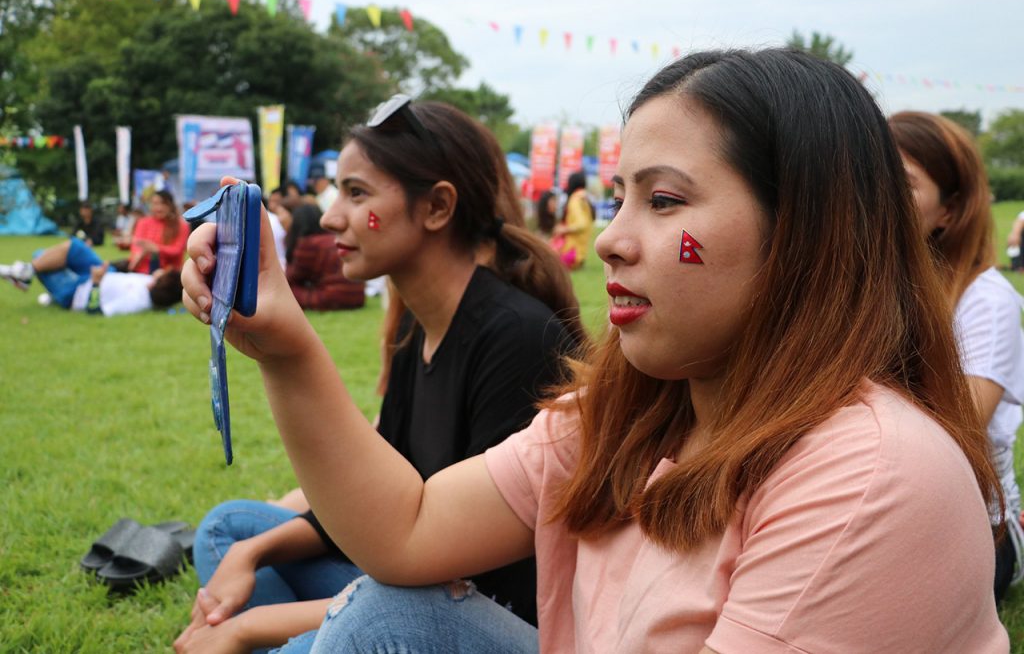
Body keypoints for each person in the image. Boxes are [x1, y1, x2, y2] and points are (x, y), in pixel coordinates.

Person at [181, 50, 1009, 653]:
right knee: (378, 610)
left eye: (663, 199)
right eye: (619, 197)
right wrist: (283, 347)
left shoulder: (870, 475)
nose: (609, 240)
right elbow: (408, 530)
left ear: (801, 234)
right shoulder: (631, 407)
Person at [174, 97, 586, 653]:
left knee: (358, 624)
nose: (329, 215)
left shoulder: (516, 338)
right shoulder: (417, 328)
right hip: (410, 581)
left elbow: (452, 588)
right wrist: (253, 555)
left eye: (357, 192)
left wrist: (245, 627)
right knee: (230, 532)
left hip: (471, 614)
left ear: (437, 207)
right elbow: (372, 507)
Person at [890, 110, 1024, 605]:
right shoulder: (863, 287)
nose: (877, 196)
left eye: (901, 184)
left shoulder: (985, 301)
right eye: (869, 176)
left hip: (969, 531)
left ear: (949, 211)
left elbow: (958, 431)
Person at [0, 238, 182, 315]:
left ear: (159, 283)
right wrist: (154, 254)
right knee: (74, 247)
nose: (159, 270)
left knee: (41, 255)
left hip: (76, 293)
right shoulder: (151, 282)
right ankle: (26, 272)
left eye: (162, 273)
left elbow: (96, 311)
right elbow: (154, 272)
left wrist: (95, 282)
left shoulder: (136, 302)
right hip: (103, 273)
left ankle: (26, 274)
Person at [285, 204, 365, 311]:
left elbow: (293, 277)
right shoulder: (335, 238)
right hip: (357, 297)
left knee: (285, 291)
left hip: (330, 298)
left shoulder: (308, 244)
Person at [126, 190, 188, 274]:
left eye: (163, 203)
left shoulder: (181, 225)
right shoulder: (143, 222)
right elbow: (137, 245)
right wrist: (140, 254)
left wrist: (156, 248)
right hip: (141, 269)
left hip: (168, 272)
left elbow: (177, 250)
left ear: (171, 205)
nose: (159, 208)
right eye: (155, 204)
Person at [552, 170, 594, 269]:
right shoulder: (584, 198)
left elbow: (581, 224)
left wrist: (564, 229)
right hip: (580, 254)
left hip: (572, 254)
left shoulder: (575, 200)